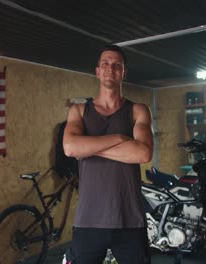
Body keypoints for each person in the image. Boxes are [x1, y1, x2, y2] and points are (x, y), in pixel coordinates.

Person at [63, 44, 153, 264]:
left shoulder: (138, 110)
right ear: (97, 71)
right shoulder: (79, 111)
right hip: (88, 219)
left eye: (116, 65)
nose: (110, 69)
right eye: (105, 63)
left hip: (129, 219)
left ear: (123, 72)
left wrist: (89, 148)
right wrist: (120, 138)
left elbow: (143, 153)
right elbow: (70, 148)